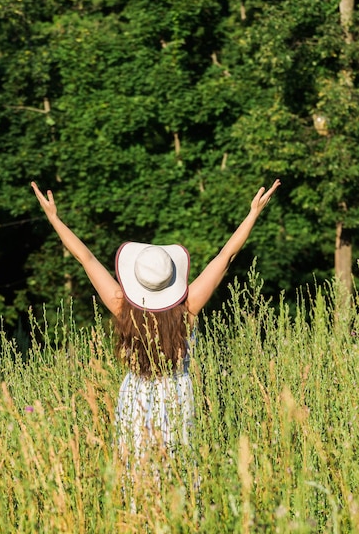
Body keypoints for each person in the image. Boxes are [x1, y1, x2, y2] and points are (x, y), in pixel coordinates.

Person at [31, 179, 281, 458]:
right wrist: (253, 214)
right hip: (177, 397)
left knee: (136, 471)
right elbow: (226, 256)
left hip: (134, 397)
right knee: (177, 469)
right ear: (171, 278)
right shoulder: (187, 309)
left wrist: (54, 219)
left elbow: (86, 258)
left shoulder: (122, 307)